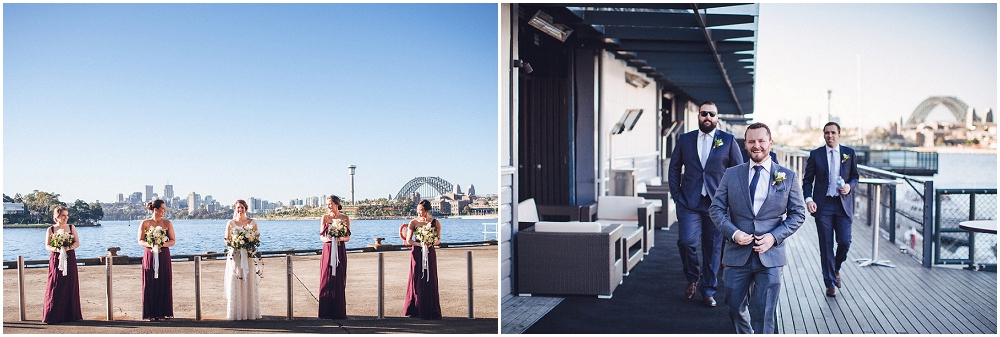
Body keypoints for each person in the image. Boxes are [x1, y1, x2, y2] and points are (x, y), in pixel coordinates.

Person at [709, 122, 806, 334]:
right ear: (745, 144)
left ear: (770, 143)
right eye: (751, 141)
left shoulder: (788, 177)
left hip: (770, 256)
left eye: (761, 141)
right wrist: (734, 233)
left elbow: (799, 214)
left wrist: (774, 237)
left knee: (764, 312)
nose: (757, 146)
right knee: (734, 306)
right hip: (737, 254)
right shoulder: (731, 174)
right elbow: (716, 209)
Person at [667, 101, 745, 307]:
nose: (707, 117)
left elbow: (738, 172)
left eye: (712, 114)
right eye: (704, 113)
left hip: (717, 205)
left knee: (713, 249)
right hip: (689, 202)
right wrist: (676, 194)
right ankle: (693, 277)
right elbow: (674, 168)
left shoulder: (727, 141)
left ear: (717, 117)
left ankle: (709, 290)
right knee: (686, 242)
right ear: (698, 116)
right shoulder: (685, 139)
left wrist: (732, 201)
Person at [802, 122, 859, 297]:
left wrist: (849, 186)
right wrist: (809, 199)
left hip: (843, 204)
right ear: (823, 135)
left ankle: (835, 269)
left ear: (839, 135)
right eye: (827, 133)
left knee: (844, 241)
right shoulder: (816, 154)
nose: (830, 136)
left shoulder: (849, 154)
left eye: (833, 133)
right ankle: (830, 283)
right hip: (823, 205)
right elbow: (807, 181)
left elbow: (855, 176)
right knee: (826, 246)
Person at [42, 205, 83, 324]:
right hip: (56, 258)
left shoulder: (71, 227)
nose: (66, 217)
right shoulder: (51, 229)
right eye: (63, 215)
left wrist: (68, 247)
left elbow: (77, 242)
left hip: (70, 257)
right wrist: (58, 249)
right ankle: (53, 314)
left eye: (67, 215)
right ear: (57, 217)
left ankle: (71, 314)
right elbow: (47, 245)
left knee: (70, 283)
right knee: (55, 283)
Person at [403, 200, 442, 319]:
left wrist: (430, 243)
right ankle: (415, 307)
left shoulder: (435, 222)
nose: (419, 212)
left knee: (429, 279)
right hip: (417, 252)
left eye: (421, 210)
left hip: (429, 252)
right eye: (418, 210)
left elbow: (438, 240)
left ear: (427, 211)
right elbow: (408, 240)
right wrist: (421, 245)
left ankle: (430, 308)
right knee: (417, 278)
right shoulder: (413, 222)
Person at [137, 199, 175, 321]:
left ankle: (163, 312)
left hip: (163, 254)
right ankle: (150, 313)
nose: (165, 211)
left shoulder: (167, 223)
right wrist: (151, 245)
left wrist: (161, 244)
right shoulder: (145, 223)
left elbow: (173, 240)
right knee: (150, 282)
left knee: (164, 281)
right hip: (150, 254)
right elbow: (140, 240)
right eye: (162, 208)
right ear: (155, 209)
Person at [224, 200, 262, 320]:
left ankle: (250, 312)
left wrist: (249, 242)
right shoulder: (231, 223)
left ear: (246, 208)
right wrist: (235, 243)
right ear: (235, 209)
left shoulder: (253, 222)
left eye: (242, 207)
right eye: (238, 208)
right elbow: (226, 240)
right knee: (236, 279)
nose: (240, 210)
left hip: (249, 255)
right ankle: (236, 312)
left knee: (249, 279)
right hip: (235, 255)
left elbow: (257, 239)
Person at [318, 195, 350, 319]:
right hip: (328, 249)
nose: (328, 206)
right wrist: (328, 239)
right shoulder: (325, 218)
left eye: (330, 204)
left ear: (337, 204)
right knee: (326, 278)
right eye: (327, 204)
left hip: (340, 249)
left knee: (339, 279)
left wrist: (340, 238)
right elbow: (321, 236)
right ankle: (325, 311)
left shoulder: (345, 218)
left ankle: (339, 311)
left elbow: (347, 237)